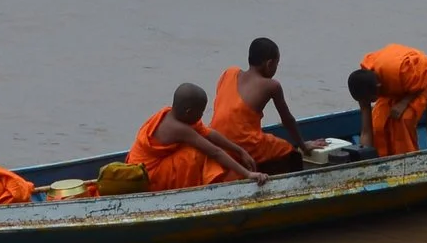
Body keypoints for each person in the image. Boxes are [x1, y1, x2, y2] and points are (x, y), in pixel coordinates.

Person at [129, 83, 270, 190]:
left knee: (203, 145)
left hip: (144, 167)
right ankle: (203, 187)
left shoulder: (171, 113)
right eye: (201, 112)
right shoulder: (179, 128)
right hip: (146, 177)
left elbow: (209, 133)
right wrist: (248, 174)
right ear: (188, 112)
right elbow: (215, 152)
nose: (202, 116)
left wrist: (239, 150)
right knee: (196, 153)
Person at [210, 38, 305, 174]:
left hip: (216, 140)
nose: (276, 68)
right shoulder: (272, 85)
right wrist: (303, 145)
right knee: (290, 152)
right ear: (269, 64)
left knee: (265, 138)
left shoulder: (229, 73)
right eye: (277, 64)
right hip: (244, 143)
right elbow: (287, 120)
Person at [348, 44, 427, 158]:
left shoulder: (402, 70)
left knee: (403, 119)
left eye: (371, 100)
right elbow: (366, 129)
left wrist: (404, 103)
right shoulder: (363, 85)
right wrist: (363, 156)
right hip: (394, 84)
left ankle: (408, 159)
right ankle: (383, 157)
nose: (368, 103)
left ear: (379, 87)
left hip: (421, 83)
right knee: (378, 122)